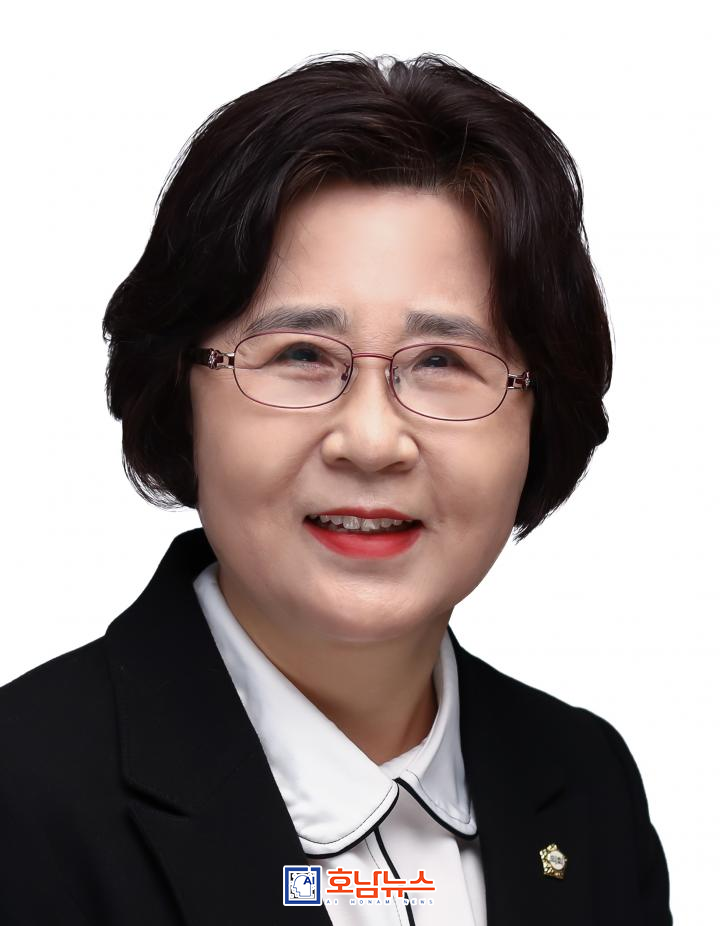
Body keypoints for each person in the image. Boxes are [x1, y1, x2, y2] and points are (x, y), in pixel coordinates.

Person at [0, 52, 673, 924]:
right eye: (301, 355)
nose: (371, 441)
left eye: (443, 362)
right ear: (179, 392)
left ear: (540, 416)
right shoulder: (23, 799)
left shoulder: (587, 785)